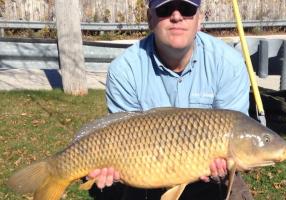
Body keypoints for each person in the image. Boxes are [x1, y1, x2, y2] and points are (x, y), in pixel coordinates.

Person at [87, 0, 253, 199]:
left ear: (199, 19)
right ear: (150, 18)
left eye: (187, 9)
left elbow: (238, 129)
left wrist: (226, 164)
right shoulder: (125, 69)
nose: (176, 16)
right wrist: (110, 167)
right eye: (165, 9)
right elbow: (121, 132)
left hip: (212, 177)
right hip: (147, 172)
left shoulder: (229, 63)